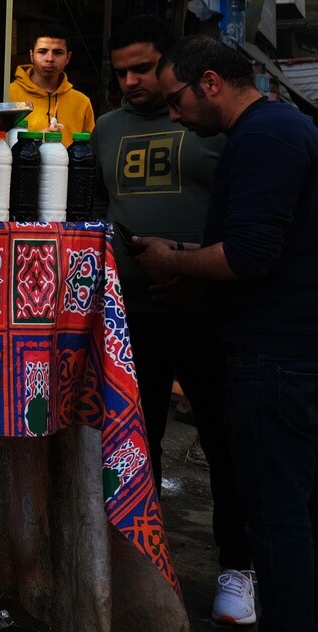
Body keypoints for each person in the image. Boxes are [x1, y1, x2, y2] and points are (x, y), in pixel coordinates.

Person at [137, 34, 318, 631]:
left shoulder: (265, 136)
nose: (173, 114)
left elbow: (250, 256)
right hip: (288, 348)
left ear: (210, 82)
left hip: (277, 357)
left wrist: (174, 259)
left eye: (177, 98)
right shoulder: (277, 131)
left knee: (277, 520)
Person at [91, 17, 253, 623]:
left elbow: (246, 218)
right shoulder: (106, 130)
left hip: (212, 312)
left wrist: (194, 271)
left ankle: (237, 567)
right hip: (134, 318)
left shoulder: (216, 123)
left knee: (225, 442)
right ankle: (144, 569)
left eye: (142, 69)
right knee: (136, 445)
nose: (132, 82)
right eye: (121, 73)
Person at [8, 22, 96, 136]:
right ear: (31, 55)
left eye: (57, 52)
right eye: (42, 52)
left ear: (68, 57)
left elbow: (90, 149)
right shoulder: (8, 94)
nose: (49, 58)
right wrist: (37, 140)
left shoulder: (82, 103)